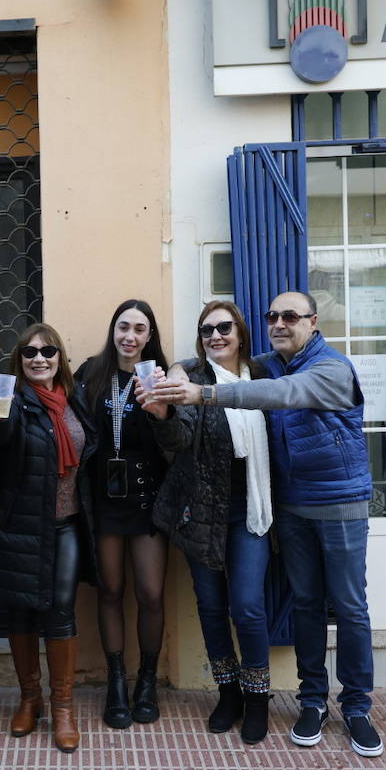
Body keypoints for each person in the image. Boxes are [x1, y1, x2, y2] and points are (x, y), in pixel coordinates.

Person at [147, 291, 382, 758]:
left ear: (313, 322)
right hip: (290, 506)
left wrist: (203, 393)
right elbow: (215, 364)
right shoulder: (269, 363)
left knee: (350, 608)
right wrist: (177, 372)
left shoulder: (329, 369)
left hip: (338, 504)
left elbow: (281, 396)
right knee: (307, 607)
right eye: (272, 315)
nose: (279, 322)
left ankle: (357, 707)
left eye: (290, 316)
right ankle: (312, 701)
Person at [141, 301, 277, 745]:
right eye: (206, 330)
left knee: (249, 607)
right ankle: (229, 694)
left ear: (240, 333)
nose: (215, 336)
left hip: (249, 510)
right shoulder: (191, 377)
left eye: (223, 328)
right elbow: (180, 436)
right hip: (200, 510)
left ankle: (258, 698)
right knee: (212, 606)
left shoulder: (264, 377)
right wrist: (161, 414)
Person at [0, 323, 96, 752]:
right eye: (29, 354)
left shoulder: (76, 399)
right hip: (18, 525)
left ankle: (62, 707)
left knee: (61, 612)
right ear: (19, 362)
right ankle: (30, 700)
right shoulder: (12, 400)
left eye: (47, 351)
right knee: (21, 615)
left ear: (59, 357)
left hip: (67, 524)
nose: (39, 359)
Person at [75, 299, 171, 729]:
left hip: (148, 499)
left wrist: (162, 409)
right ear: (113, 329)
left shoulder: (159, 377)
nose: (129, 336)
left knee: (150, 593)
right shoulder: (90, 373)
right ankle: (116, 681)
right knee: (110, 591)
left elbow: (174, 440)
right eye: (123, 326)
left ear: (150, 337)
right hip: (104, 500)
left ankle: (146, 682)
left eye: (139, 329)